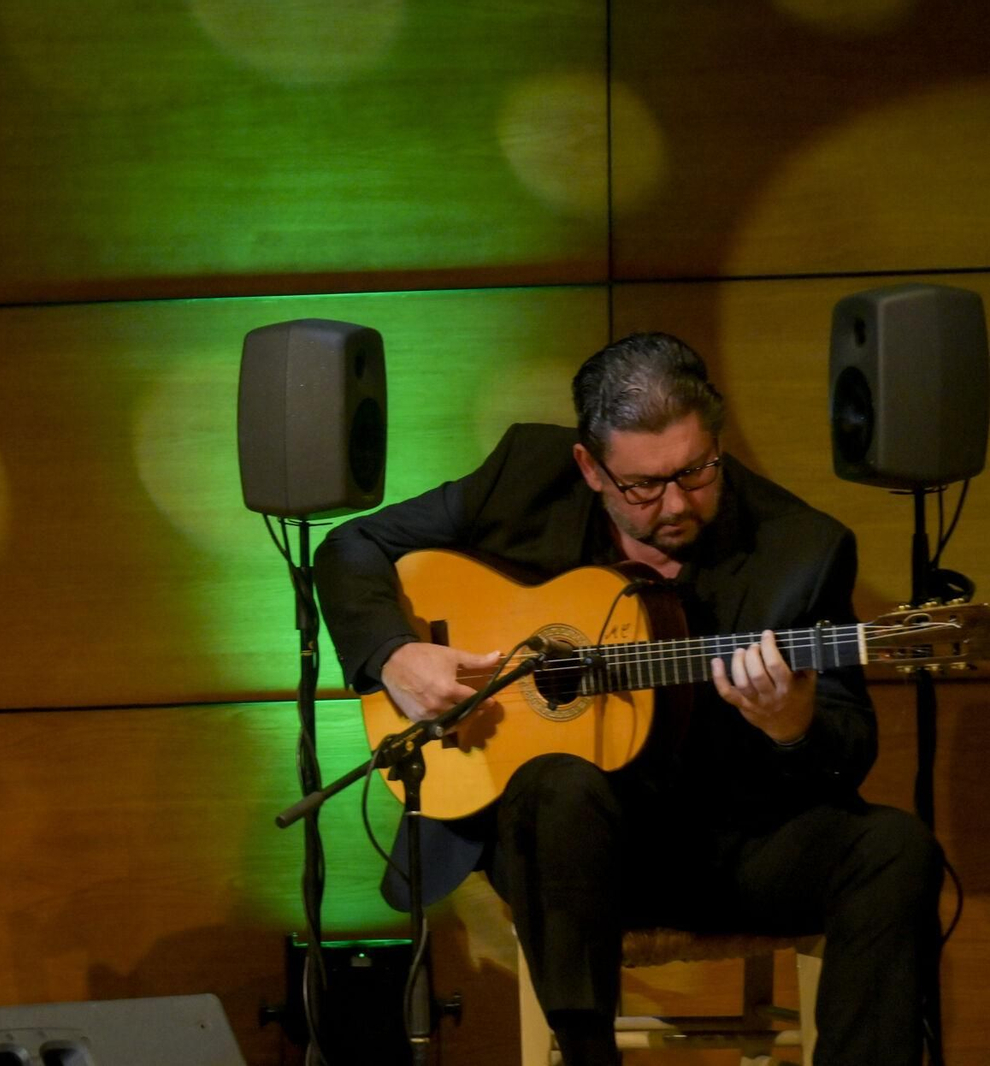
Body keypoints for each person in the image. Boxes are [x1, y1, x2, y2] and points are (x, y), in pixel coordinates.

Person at [314, 332, 942, 1065]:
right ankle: (588, 1055)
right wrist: (394, 653)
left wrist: (793, 725)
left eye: (698, 472)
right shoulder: (525, 474)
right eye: (643, 485)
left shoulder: (803, 548)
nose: (675, 503)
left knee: (897, 848)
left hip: (729, 845)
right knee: (558, 786)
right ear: (589, 465)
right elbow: (352, 547)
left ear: (717, 440)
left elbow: (850, 737)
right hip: (569, 856)